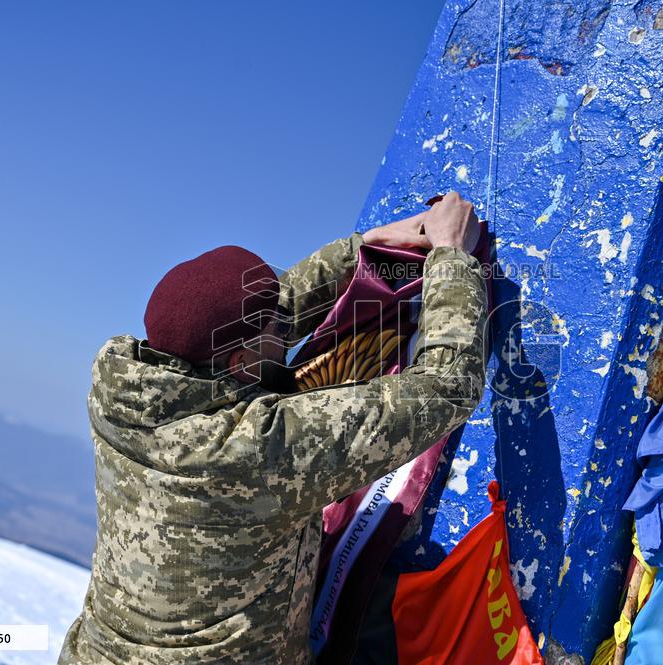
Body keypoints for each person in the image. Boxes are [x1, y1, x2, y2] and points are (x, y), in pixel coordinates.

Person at [59, 192, 488, 665]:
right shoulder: (255, 449)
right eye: (276, 331)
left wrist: (359, 249)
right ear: (240, 361)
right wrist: (452, 258)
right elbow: (446, 387)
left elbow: (247, 319)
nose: (287, 332)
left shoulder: (119, 389)